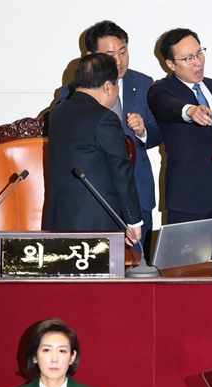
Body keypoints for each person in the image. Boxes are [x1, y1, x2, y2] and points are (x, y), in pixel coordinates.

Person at [58, 21, 162, 260]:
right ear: (91, 56)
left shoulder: (143, 83)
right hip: (95, 196)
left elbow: (159, 131)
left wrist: (144, 131)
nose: (119, 60)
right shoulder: (75, 91)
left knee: (137, 265)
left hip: (137, 190)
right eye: (110, 54)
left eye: (123, 52)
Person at [147, 28, 212, 260]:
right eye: (188, 58)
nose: (197, 62)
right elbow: (167, 106)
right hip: (189, 201)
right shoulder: (161, 91)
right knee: (185, 272)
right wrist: (191, 111)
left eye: (199, 54)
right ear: (170, 64)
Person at [46, 53, 142, 244]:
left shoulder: (57, 113)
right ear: (108, 86)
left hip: (59, 220)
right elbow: (120, 170)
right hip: (97, 223)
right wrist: (134, 220)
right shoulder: (104, 118)